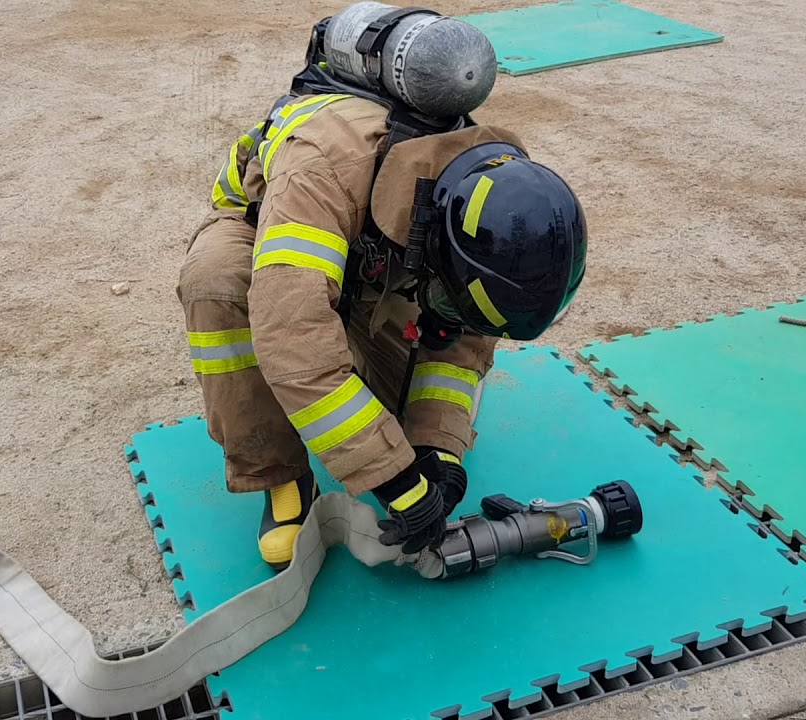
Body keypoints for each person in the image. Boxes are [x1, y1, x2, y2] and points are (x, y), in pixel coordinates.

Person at [175, 14, 588, 572]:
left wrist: (438, 449)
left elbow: (464, 339)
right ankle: (280, 474)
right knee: (219, 284)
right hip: (264, 225)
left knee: (385, 415)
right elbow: (293, 340)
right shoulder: (323, 168)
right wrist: (394, 480)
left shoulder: (489, 193)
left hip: (373, 241)